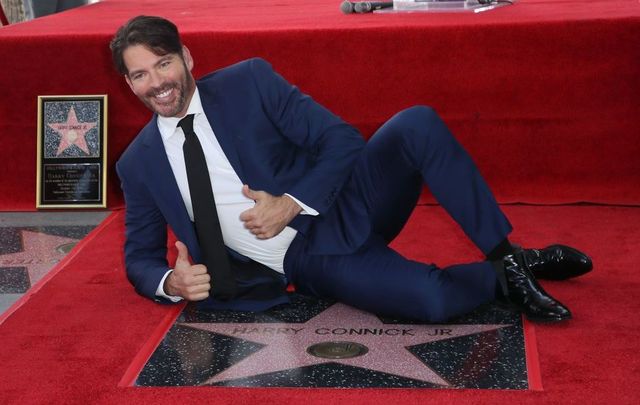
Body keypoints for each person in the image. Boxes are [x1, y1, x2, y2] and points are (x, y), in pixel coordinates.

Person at [110, 16, 592, 323]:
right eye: (140, 74)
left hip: (341, 201)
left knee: (416, 124)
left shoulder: (248, 81)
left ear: (187, 58)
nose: (157, 83)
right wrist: (170, 283)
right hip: (305, 258)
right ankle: (516, 271)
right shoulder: (138, 164)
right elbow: (140, 255)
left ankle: (505, 253)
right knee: (433, 302)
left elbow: (339, 139)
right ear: (129, 83)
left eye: (163, 64)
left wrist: (291, 203)